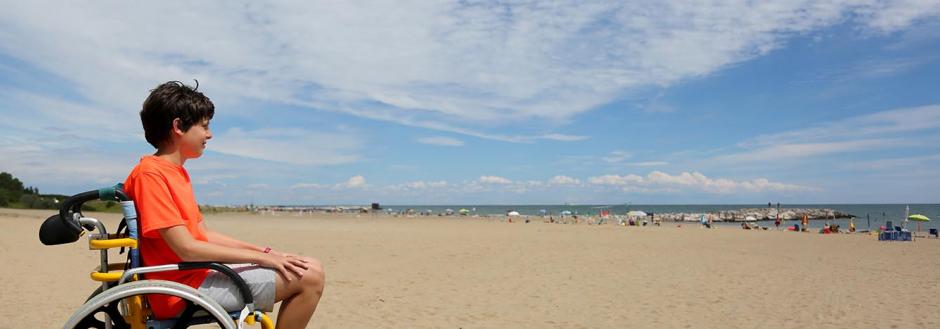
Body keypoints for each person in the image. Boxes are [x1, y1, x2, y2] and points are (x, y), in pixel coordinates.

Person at [123, 81, 324, 328]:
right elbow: (186, 249)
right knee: (311, 277)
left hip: (197, 275)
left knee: (308, 265)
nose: (209, 135)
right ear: (178, 127)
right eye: (204, 126)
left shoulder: (175, 172)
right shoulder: (151, 174)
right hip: (180, 290)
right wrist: (263, 260)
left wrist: (267, 253)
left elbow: (203, 235)